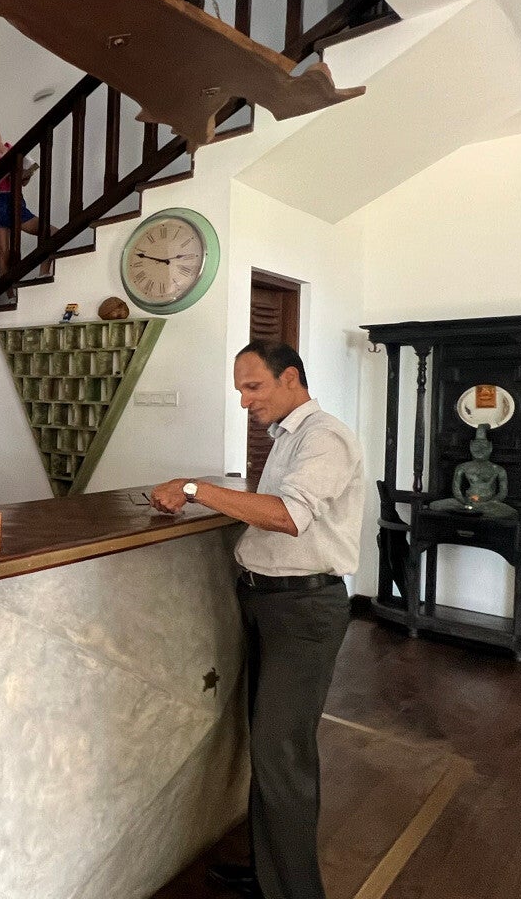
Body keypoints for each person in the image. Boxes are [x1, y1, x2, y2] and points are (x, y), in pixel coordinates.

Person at [149, 340, 363, 899]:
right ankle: (269, 874)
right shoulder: (287, 437)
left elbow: (289, 516)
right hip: (269, 603)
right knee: (268, 749)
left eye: (253, 387)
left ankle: (296, 892)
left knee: (283, 754)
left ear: (290, 378)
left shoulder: (325, 437)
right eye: (240, 389)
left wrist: (196, 489)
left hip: (302, 611)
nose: (244, 401)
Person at [0, 121, 45, 298]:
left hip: (15, 200)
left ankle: (44, 272)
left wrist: (26, 175)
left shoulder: (15, 150)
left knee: (47, 231)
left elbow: (22, 182)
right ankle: (11, 297)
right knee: (3, 252)